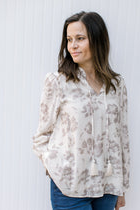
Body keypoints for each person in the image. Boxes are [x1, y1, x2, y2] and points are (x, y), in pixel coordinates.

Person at [32, 11, 130, 210]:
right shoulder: (58, 82)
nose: (72, 46)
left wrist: (122, 187)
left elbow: (121, 138)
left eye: (80, 39)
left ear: (97, 40)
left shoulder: (116, 85)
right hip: (70, 187)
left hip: (107, 186)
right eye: (69, 40)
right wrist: (56, 168)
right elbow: (42, 136)